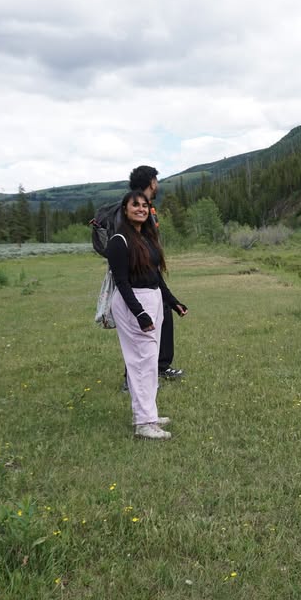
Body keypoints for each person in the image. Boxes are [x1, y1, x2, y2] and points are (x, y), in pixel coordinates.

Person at [107, 189, 189, 439]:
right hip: (133, 302)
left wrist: (172, 301)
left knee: (150, 361)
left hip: (151, 298)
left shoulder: (147, 239)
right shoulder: (119, 241)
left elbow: (155, 276)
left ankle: (147, 413)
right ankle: (144, 423)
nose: (141, 209)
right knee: (142, 361)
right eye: (135, 205)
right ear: (125, 209)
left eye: (145, 205)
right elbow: (121, 282)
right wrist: (140, 313)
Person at [128, 165, 185, 381]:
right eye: (156, 181)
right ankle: (130, 378)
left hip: (153, 273)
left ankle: (161, 366)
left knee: (165, 316)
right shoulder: (135, 206)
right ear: (152, 182)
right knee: (138, 329)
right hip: (138, 278)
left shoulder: (147, 206)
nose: (157, 185)